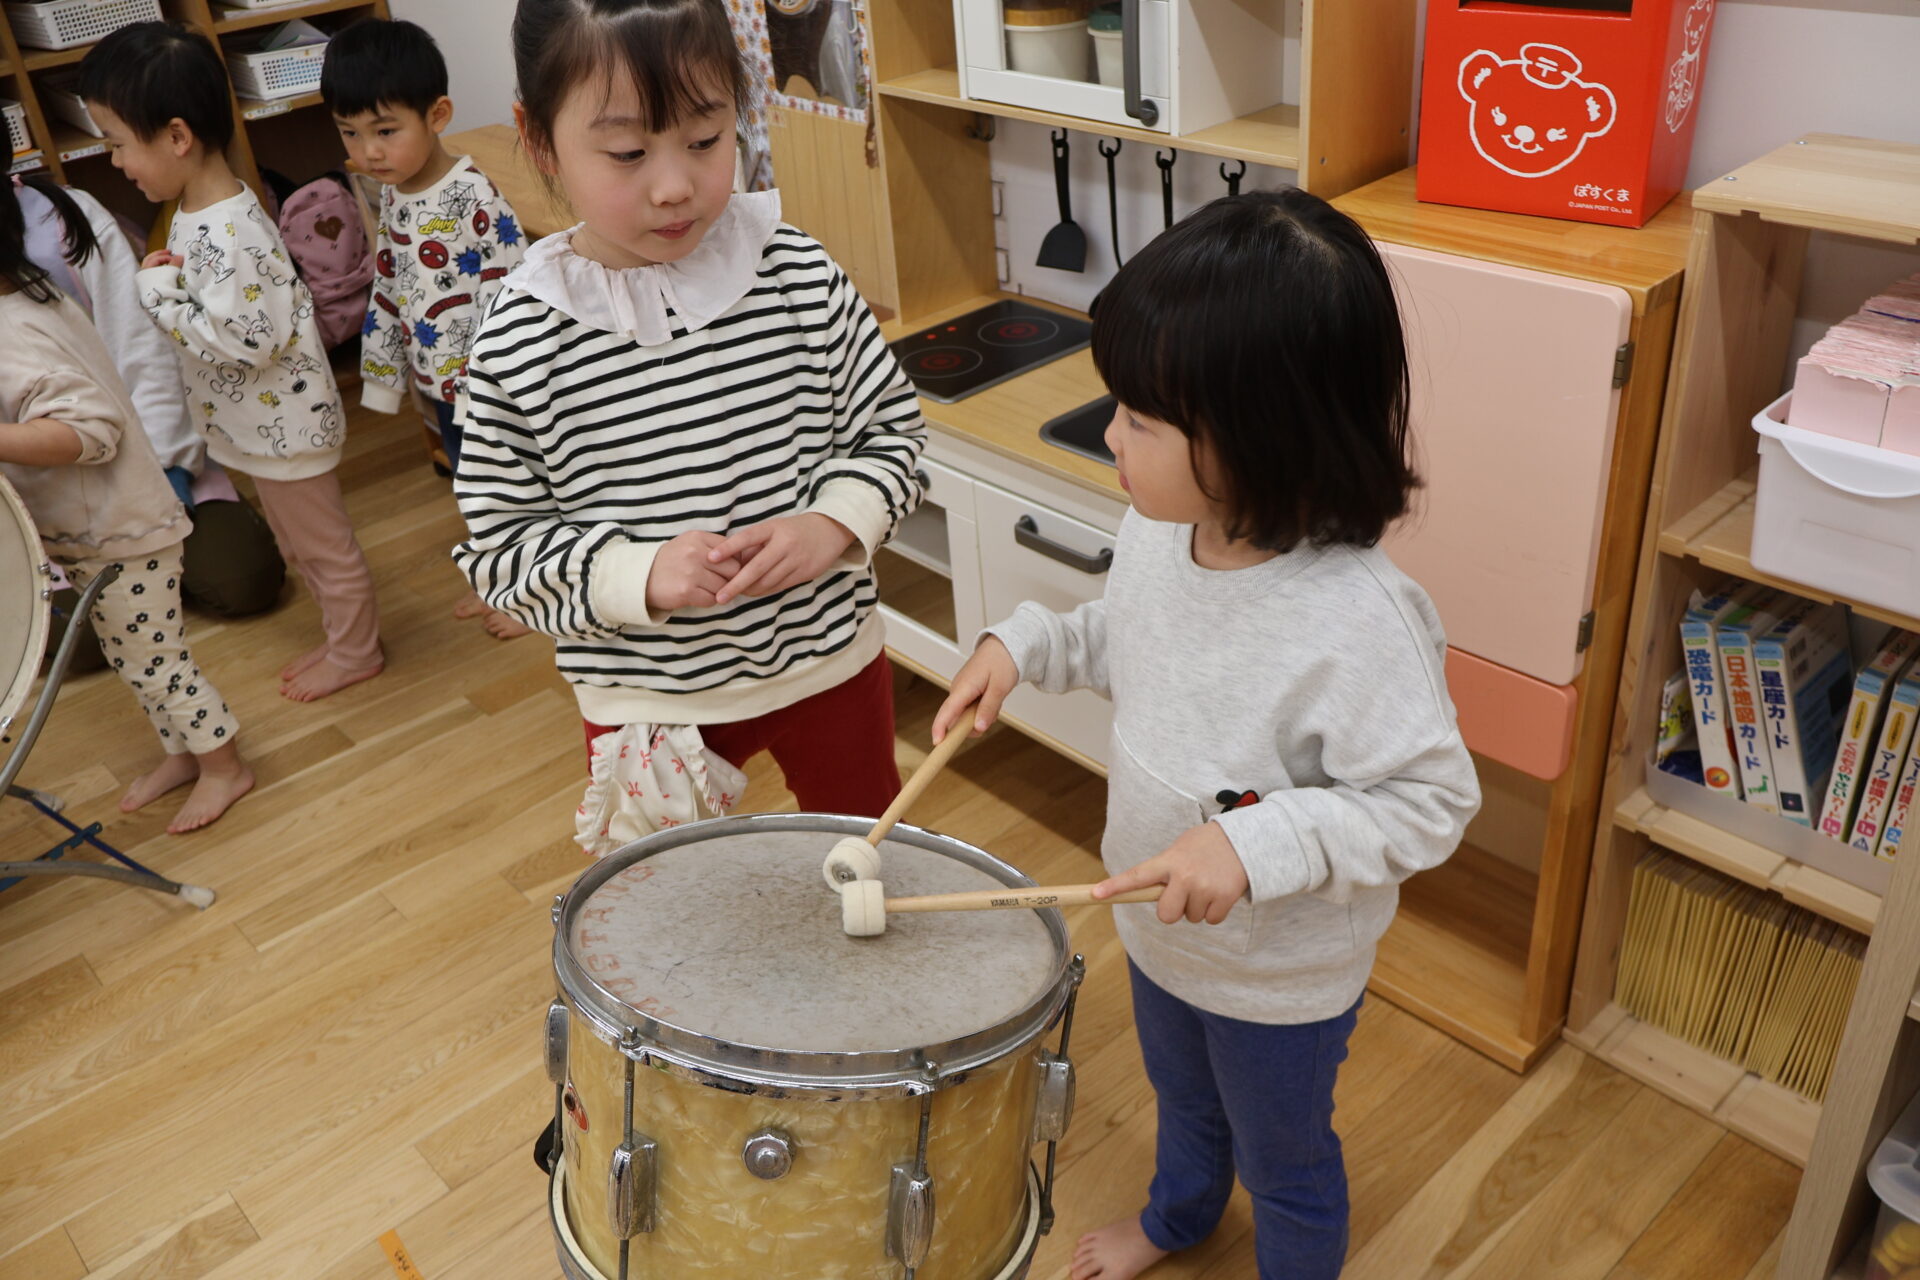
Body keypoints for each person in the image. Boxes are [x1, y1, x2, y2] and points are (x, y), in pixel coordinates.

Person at [932, 189, 1483, 1280]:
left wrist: (1253, 843)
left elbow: (1429, 804)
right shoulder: (1161, 528)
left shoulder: (1359, 619)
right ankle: (1180, 1218)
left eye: (1142, 420)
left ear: (1263, 434)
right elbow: (1128, 635)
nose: (1110, 434)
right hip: (1157, 928)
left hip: (1280, 979)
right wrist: (1027, 643)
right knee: (1182, 1102)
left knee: (1286, 1163)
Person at [453, 0, 926, 846]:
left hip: (832, 660)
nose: (675, 186)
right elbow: (501, 555)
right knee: (667, 891)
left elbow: (894, 434)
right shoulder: (520, 343)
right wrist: (635, 573)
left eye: (705, 139)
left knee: (866, 860)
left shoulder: (796, 272)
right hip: (650, 704)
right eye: (628, 153)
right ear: (539, 139)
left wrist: (834, 522)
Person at [80, 22, 383, 702]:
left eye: (118, 143)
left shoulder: (230, 227)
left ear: (177, 137)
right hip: (259, 429)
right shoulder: (196, 211)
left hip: (287, 432)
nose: (117, 161)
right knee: (298, 545)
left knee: (324, 548)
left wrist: (157, 293)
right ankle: (341, 637)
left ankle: (357, 651)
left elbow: (248, 339)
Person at [0, 174, 253, 833]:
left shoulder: (17, 331)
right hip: (98, 530)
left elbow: (89, 432)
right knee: (130, 656)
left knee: (159, 662)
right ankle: (184, 753)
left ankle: (224, 764)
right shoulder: (31, 293)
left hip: (124, 533)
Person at [321, 17, 531, 639]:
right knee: (473, 489)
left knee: (511, 488)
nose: (368, 152)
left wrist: (492, 385)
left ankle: (527, 595)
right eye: (350, 132)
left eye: (385, 131)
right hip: (441, 386)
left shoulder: (472, 197)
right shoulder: (394, 194)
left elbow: (513, 293)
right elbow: (389, 282)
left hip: (489, 389)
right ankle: (499, 580)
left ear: (437, 115)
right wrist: (384, 376)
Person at [19, 174, 285, 633]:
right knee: (72, 637)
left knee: (246, 581)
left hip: (137, 456)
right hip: (39, 493)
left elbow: (144, 349)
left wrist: (168, 472)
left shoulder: (63, 217)